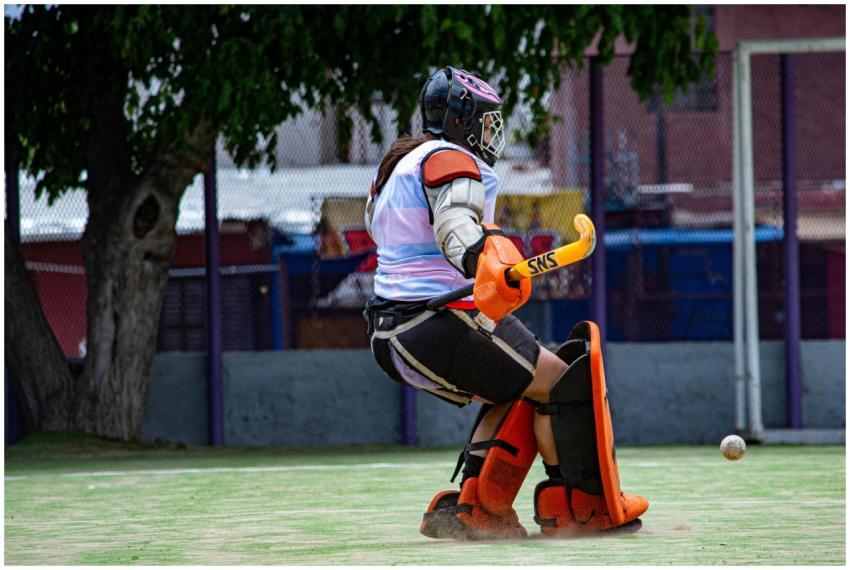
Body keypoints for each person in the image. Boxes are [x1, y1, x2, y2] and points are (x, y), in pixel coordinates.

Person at [363, 66, 648, 540]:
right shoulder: (453, 159)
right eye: (487, 121)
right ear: (460, 120)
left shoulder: (399, 165)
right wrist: (480, 258)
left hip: (391, 332)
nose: (492, 132)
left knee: (518, 384)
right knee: (563, 381)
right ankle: (579, 504)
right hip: (437, 319)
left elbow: (388, 234)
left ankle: (475, 507)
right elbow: (454, 224)